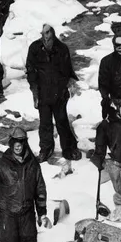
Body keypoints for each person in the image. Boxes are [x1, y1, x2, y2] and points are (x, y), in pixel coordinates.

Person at [25, 24, 81, 163]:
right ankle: (46, 149)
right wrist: (34, 90)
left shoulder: (62, 48)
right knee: (45, 123)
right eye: (43, 33)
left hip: (58, 91)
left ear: (53, 33)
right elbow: (31, 69)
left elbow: (67, 71)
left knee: (62, 121)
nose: (46, 36)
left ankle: (69, 149)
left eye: (48, 32)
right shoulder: (34, 48)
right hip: (42, 91)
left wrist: (65, 88)